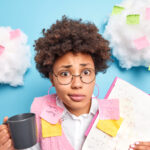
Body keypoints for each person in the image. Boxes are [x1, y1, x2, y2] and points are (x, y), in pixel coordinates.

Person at [0, 16, 150, 150]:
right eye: (65, 74)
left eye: (86, 72)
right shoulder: (39, 115)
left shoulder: (119, 114)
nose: (77, 84)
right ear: (52, 78)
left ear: (95, 74)